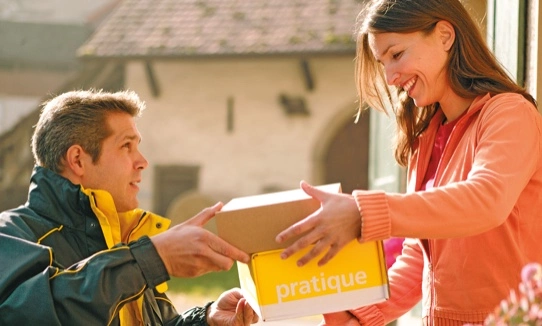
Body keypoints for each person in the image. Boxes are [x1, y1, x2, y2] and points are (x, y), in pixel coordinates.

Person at [275, 0, 542, 325]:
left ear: (445, 35)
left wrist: (362, 214)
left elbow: (486, 201)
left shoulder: (510, 115)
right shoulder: (427, 137)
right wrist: (359, 316)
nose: (389, 77)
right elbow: (420, 252)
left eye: (396, 54)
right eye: (382, 62)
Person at [0, 89, 259, 325]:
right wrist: (152, 259)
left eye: (138, 146)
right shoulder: (11, 236)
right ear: (78, 160)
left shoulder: (127, 243)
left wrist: (205, 321)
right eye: (126, 146)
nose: (142, 161)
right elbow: (26, 316)